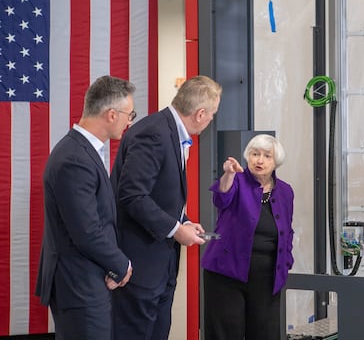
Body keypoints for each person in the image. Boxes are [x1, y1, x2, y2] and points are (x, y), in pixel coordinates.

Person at [111, 75, 222, 340]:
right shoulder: (154, 133)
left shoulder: (173, 132)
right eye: (212, 114)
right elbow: (133, 195)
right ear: (200, 113)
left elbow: (161, 194)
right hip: (141, 265)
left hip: (161, 265)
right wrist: (175, 229)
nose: (211, 120)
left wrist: (182, 221)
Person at [35, 75, 135, 340]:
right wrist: (121, 265)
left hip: (87, 280)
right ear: (112, 114)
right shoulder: (74, 159)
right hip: (78, 285)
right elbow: (87, 231)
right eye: (129, 114)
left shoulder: (82, 151)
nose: (130, 121)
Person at [202, 134, 295, 340]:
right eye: (255, 154)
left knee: (265, 333)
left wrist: (286, 261)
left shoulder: (285, 191)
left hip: (267, 276)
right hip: (227, 273)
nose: (259, 160)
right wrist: (227, 174)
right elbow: (221, 197)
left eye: (266, 156)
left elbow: (287, 230)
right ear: (247, 157)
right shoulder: (237, 180)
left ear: (276, 161)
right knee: (226, 333)